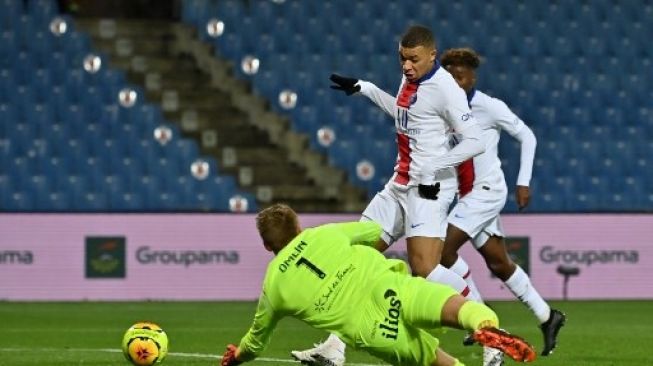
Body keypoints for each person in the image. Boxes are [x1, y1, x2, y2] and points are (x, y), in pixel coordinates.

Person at [292, 25, 495, 366]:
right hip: (399, 183)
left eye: (414, 59)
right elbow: (404, 115)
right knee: (356, 259)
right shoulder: (410, 79)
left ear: (432, 55)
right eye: (402, 58)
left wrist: (434, 166)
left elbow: (475, 141)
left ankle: (488, 330)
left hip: (430, 188)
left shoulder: (446, 89)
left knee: (425, 270)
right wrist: (366, 89)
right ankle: (334, 348)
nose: (406, 65)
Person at [219, 204, 537, 366]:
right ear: (299, 227)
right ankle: (483, 326)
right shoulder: (325, 234)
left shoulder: (273, 285)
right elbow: (373, 232)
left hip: (371, 328)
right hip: (391, 287)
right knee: (453, 306)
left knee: (431, 358)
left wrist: (237, 356)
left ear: (266, 246)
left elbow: (255, 341)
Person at [438, 47, 566, 356]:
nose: (457, 81)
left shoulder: (488, 106)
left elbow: (528, 136)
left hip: (487, 191)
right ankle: (548, 316)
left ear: (473, 77)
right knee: (499, 261)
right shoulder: (444, 108)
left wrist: (523, 181)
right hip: (465, 194)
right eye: (451, 75)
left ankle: (481, 318)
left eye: (462, 75)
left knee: (442, 250)